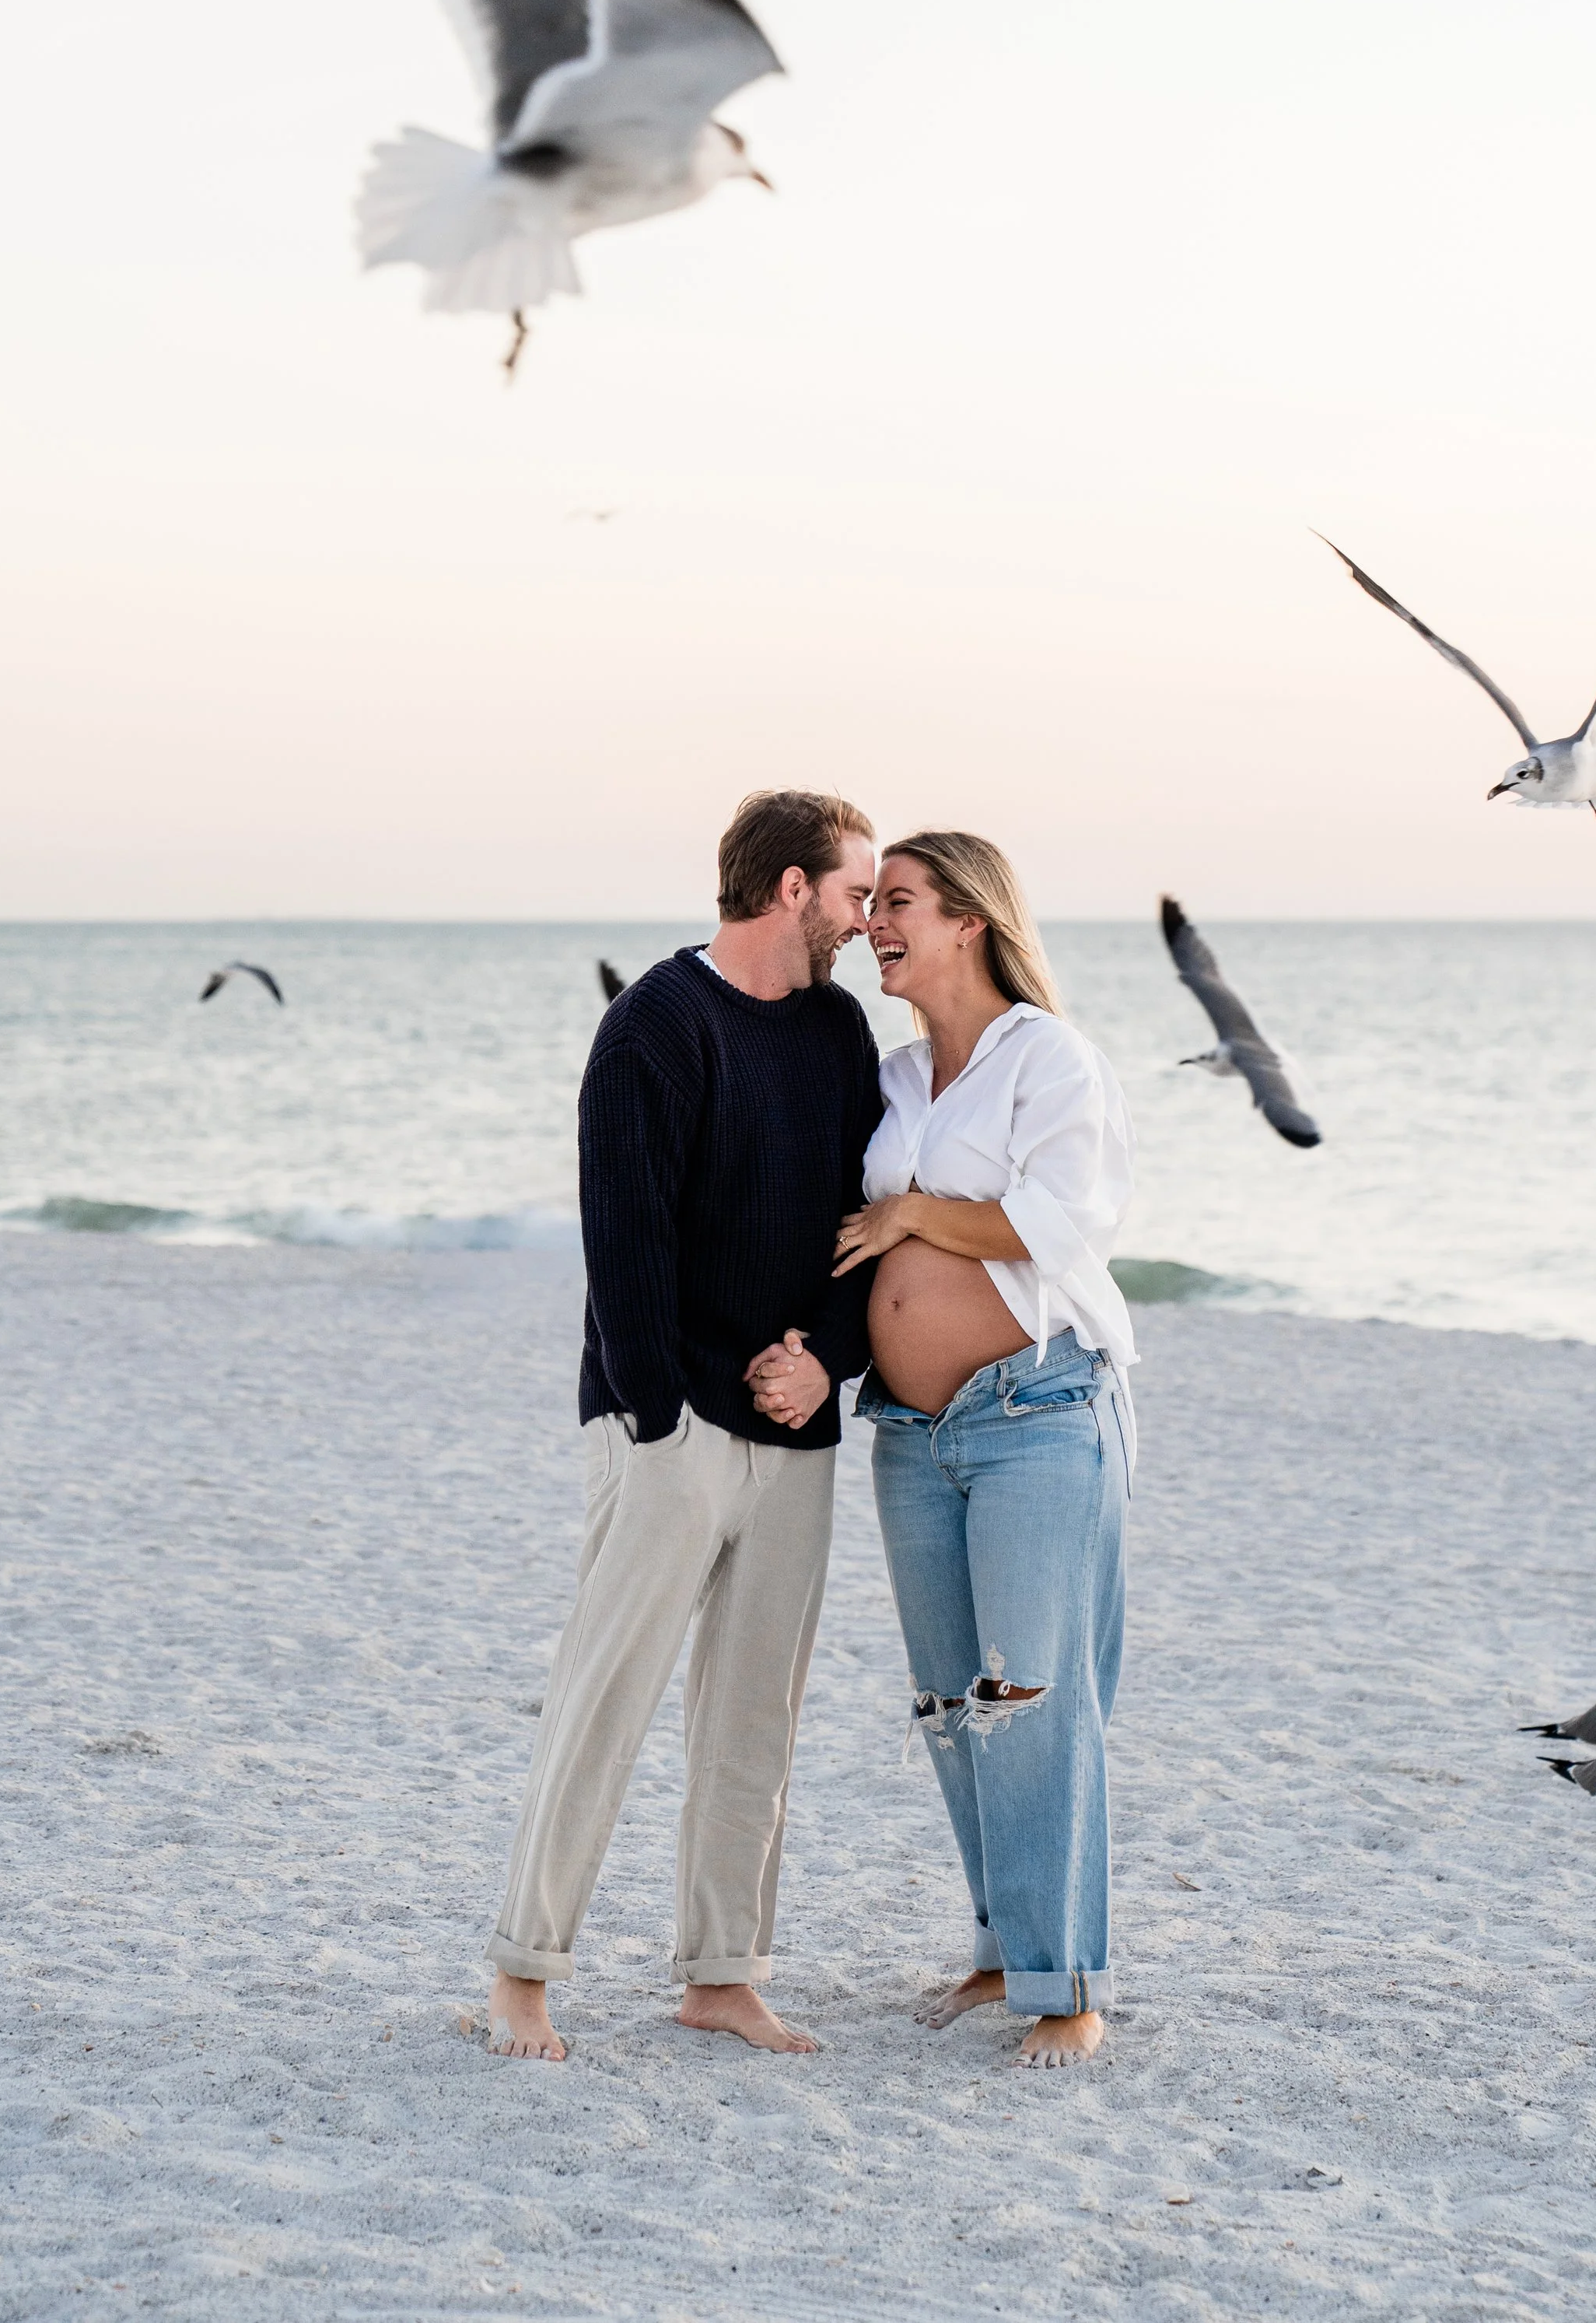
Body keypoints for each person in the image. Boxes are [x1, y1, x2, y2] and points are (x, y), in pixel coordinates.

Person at [484, 790, 882, 2062]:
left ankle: (721, 1973)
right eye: (856, 891)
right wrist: (665, 1413)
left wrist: (824, 1360)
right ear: (790, 891)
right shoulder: (654, 1026)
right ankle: (524, 1973)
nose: (865, 916)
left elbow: (866, 1223)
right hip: (665, 1426)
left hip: (796, 1428)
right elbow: (627, 1241)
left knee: (755, 1716)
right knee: (605, 1699)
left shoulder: (837, 1032)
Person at [754, 830, 1133, 2069]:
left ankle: (1068, 1986)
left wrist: (915, 1211)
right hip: (910, 1434)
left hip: (1034, 1412)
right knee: (952, 1706)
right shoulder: (904, 1075)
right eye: (874, 907)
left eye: (900, 903)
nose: (876, 924)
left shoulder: (1050, 1058)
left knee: (1034, 1697)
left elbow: (1063, 1218)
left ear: (971, 920)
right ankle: (999, 1947)